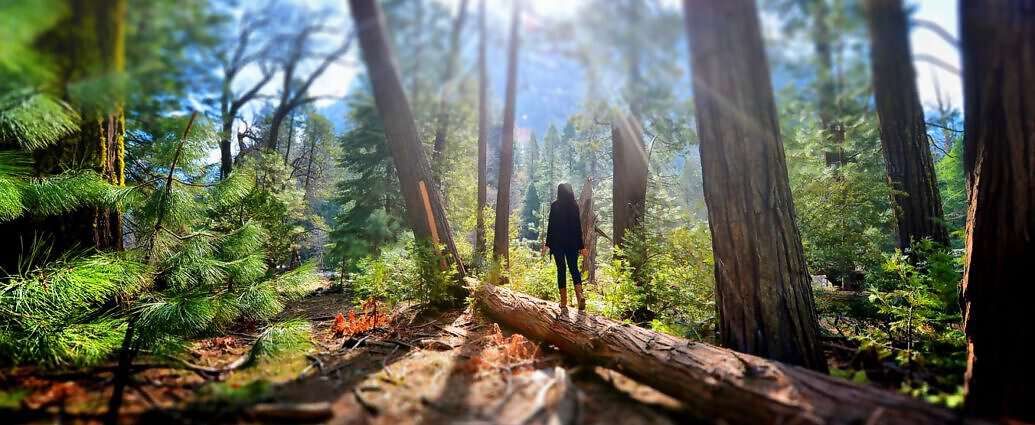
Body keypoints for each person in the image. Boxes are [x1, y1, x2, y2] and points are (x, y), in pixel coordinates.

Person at [542, 183, 588, 310]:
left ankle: (563, 301)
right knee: (574, 269)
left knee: (561, 270)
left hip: (557, 244)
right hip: (572, 243)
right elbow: (578, 228)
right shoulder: (574, 206)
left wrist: (547, 244)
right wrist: (582, 246)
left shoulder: (555, 206)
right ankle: (580, 297)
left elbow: (551, 226)